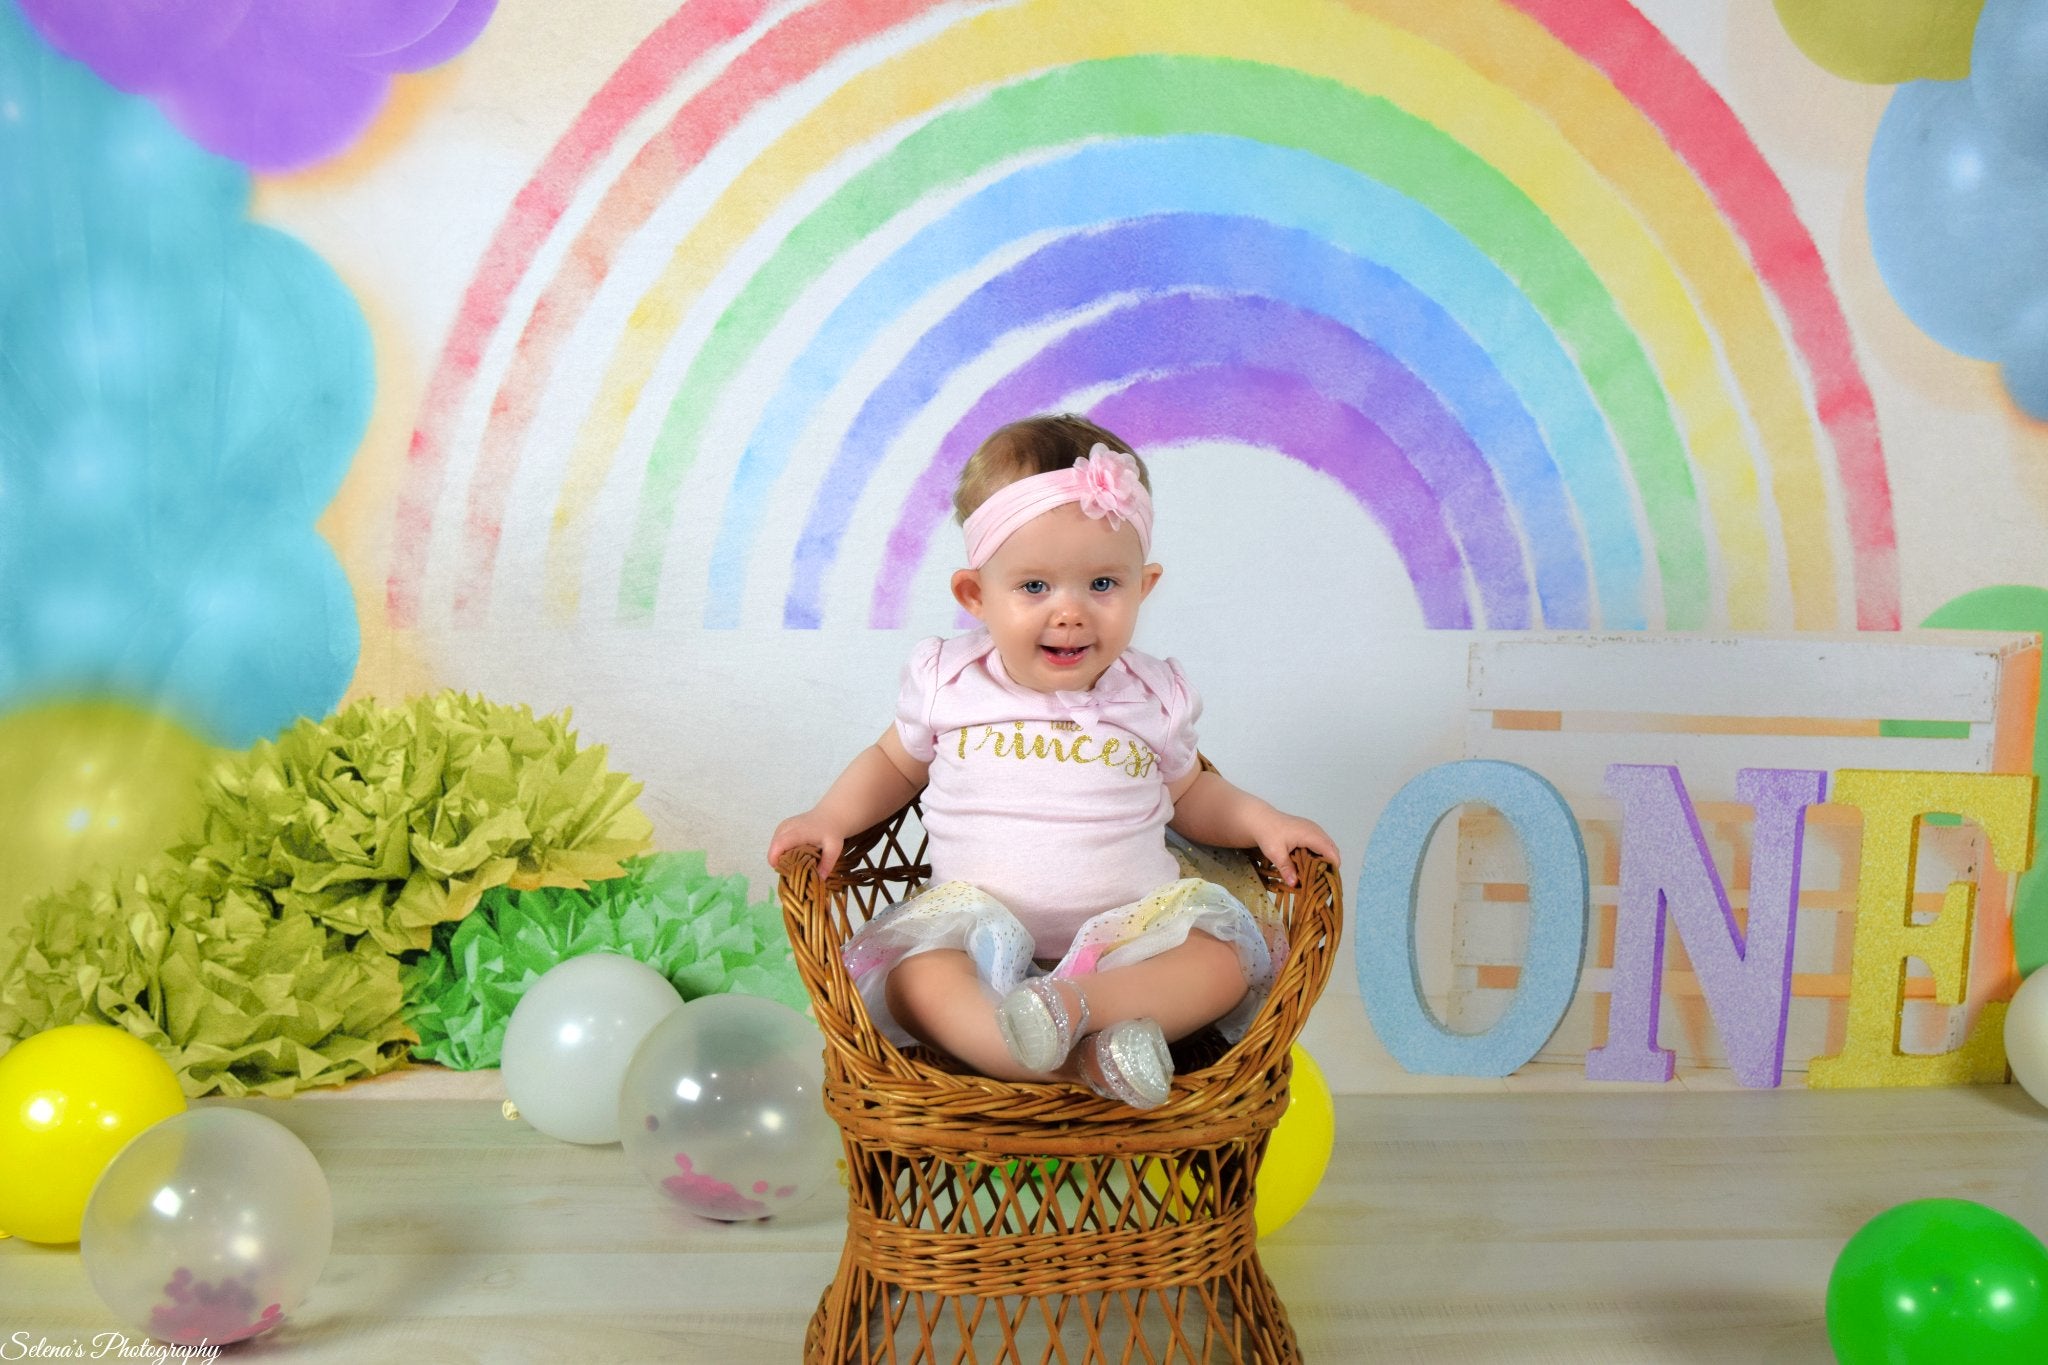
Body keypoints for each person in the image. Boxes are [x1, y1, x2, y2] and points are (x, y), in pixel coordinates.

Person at [768, 414, 1337, 1108]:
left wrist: (1262, 820)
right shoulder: (950, 681)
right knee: (914, 981)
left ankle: (1076, 1008)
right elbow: (892, 765)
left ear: (1144, 586)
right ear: (976, 596)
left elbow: (1192, 795)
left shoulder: (1152, 695)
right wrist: (829, 815)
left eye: (1102, 584)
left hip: (1130, 940)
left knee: (1222, 962)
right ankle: (1085, 1068)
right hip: (973, 940)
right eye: (1034, 587)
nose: (1070, 612)